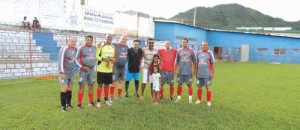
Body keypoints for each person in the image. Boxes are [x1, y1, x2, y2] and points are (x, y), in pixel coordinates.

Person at [75, 35, 97, 109]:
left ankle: (91, 102)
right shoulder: (81, 48)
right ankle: (79, 104)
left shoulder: (95, 48)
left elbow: (96, 58)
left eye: (91, 40)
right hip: (83, 71)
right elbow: (76, 59)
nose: (89, 41)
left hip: (91, 71)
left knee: (91, 86)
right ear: (85, 40)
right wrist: (82, 67)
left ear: (92, 41)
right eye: (87, 40)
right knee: (82, 87)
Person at [57, 36, 77, 112]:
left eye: (75, 41)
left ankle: (68, 103)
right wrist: (61, 72)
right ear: (68, 41)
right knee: (64, 88)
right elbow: (60, 61)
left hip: (71, 72)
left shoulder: (75, 49)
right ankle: (63, 107)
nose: (73, 43)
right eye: (72, 41)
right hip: (64, 72)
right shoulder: (64, 49)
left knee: (70, 88)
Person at [96, 34, 115, 107]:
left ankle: (106, 100)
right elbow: (97, 56)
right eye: (108, 37)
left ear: (112, 39)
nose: (109, 38)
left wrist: (112, 60)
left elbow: (114, 58)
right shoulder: (101, 45)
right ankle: (98, 101)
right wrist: (104, 59)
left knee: (107, 85)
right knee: (100, 85)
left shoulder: (113, 47)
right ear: (105, 38)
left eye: (110, 37)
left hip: (109, 69)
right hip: (101, 69)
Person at [174, 38, 196, 103]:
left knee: (189, 85)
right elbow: (177, 61)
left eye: (185, 42)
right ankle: (178, 98)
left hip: (188, 71)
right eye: (183, 42)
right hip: (180, 71)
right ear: (181, 43)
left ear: (187, 43)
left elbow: (195, 61)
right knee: (179, 84)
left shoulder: (191, 51)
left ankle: (190, 99)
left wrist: (194, 70)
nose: (184, 43)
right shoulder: (178, 51)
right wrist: (175, 70)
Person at [195, 41, 215, 106]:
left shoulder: (210, 53)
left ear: (207, 46)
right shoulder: (198, 53)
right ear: (201, 46)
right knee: (199, 87)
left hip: (207, 74)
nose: (204, 46)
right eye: (203, 45)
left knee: (208, 87)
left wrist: (212, 73)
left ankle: (209, 101)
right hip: (199, 74)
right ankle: (199, 100)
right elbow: (196, 63)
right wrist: (196, 72)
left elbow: (213, 63)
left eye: (206, 45)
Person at [110, 35, 128, 102]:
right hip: (115, 67)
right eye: (123, 39)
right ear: (120, 39)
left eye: (125, 39)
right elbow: (107, 45)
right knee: (114, 82)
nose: (124, 40)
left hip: (123, 67)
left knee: (121, 81)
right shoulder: (115, 45)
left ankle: (119, 96)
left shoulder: (126, 47)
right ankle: (111, 97)